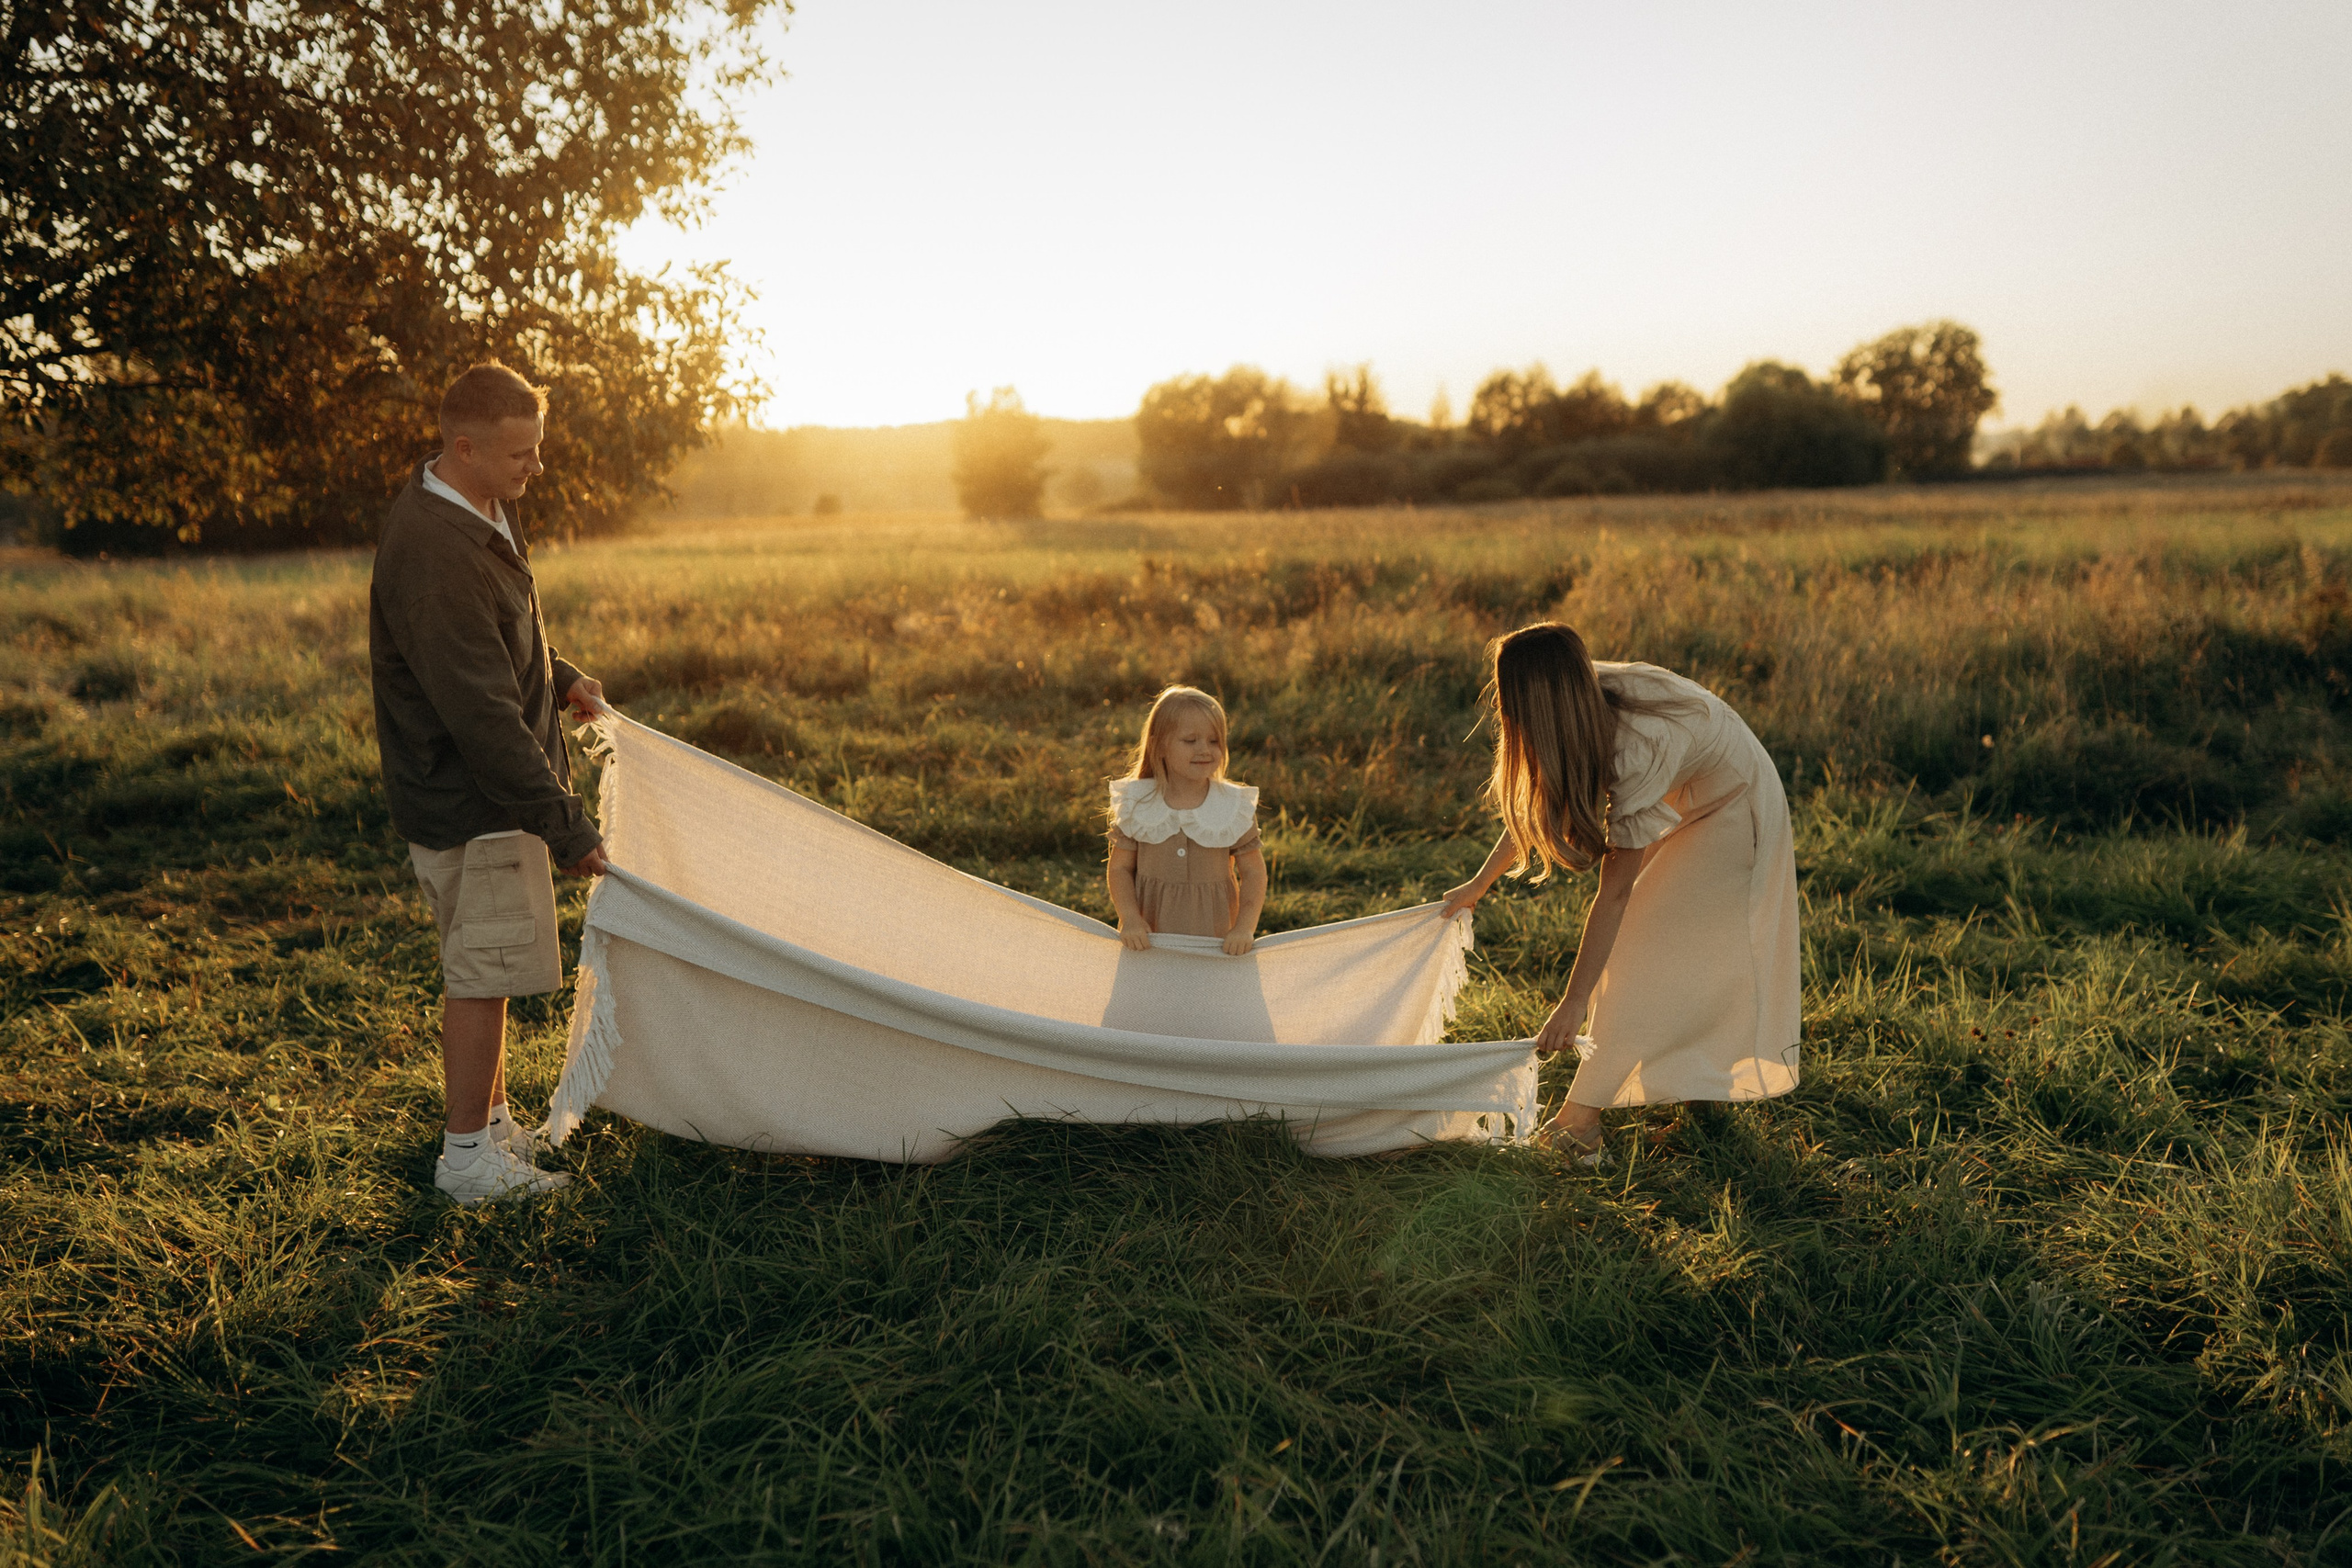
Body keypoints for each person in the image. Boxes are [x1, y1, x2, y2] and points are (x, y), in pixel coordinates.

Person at [368, 361, 611, 1205]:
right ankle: (466, 1159)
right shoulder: (435, 551)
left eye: (538, 451)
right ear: (463, 446)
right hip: (473, 798)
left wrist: (562, 674)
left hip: (492, 791)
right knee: (481, 972)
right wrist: (565, 823)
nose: (534, 470)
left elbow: (505, 639)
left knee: (493, 966)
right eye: (518, 456)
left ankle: (494, 1123)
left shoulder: (483, 506)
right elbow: (480, 713)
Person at [1441, 623, 1801, 1165]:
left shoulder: (1638, 749)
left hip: (1734, 803)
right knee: (1674, 954)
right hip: (1686, 795)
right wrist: (1478, 885)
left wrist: (1574, 1003)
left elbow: (1613, 897)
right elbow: (1543, 798)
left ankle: (1579, 1123)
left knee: (1642, 949)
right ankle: (1702, 1094)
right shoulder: (1576, 705)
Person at [1106, 686, 1268, 955]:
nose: (1204, 749)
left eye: (1214, 741)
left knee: (1209, 997)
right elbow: (1120, 869)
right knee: (1153, 996)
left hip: (1215, 940)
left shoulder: (1231, 807)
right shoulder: (1138, 803)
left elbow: (1253, 872)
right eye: (1190, 740)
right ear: (1160, 746)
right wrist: (1131, 919)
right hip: (1150, 940)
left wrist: (1244, 928)